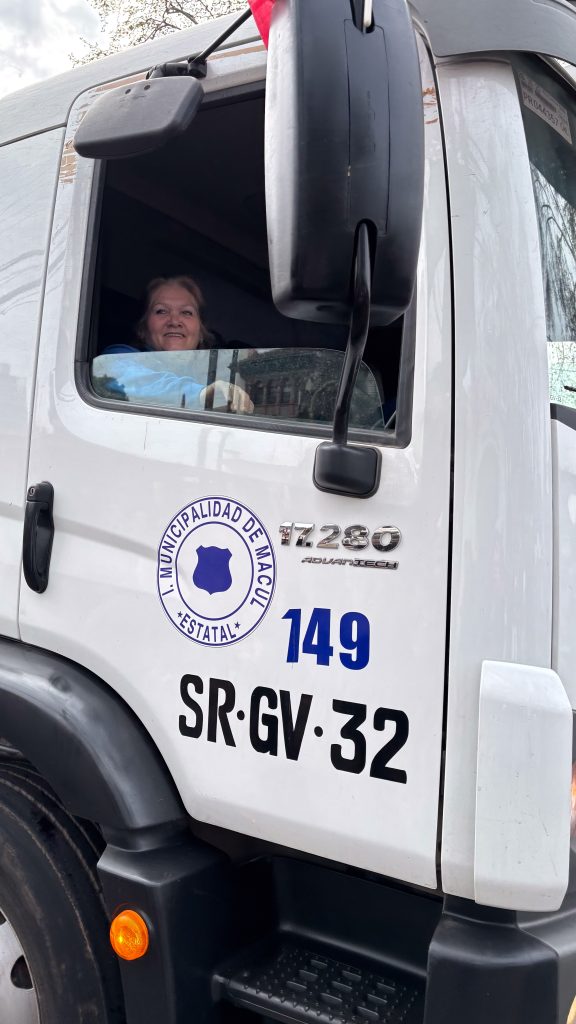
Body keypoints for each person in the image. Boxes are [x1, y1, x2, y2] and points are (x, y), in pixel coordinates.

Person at [97, 276, 253, 413]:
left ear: (201, 332)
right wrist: (203, 394)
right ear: (142, 329)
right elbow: (118, 375)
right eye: (161, 311)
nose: (174, 321)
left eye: (186, 312)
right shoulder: (117, 358)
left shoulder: (213, 376)